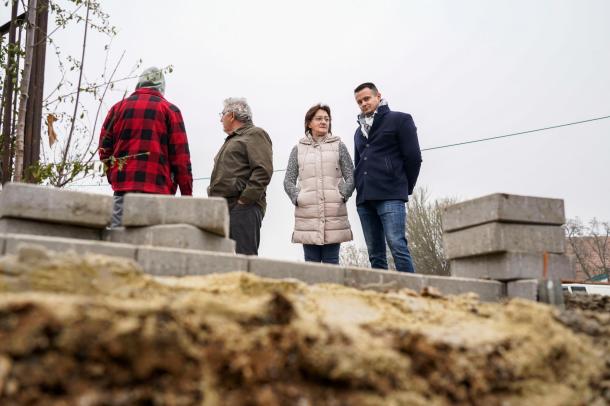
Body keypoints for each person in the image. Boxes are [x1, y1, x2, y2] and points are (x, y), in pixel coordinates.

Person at [98, 67, 193, 228]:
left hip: (123, 189)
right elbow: (181, 158)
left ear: (139, 84)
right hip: (158, 191)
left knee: (118, 242)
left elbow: (104, 149)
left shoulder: (117, 109)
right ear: (161, 87)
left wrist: (114, 175)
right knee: (153, 244)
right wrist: (186, 196)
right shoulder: (170, 111)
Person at [352, 82, 422, 273]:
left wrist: (405, 187)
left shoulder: (400, 120)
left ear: (378, 96)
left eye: (367, 99)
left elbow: (414, 157)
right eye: (359, 102)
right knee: (375, 254)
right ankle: (381, 295)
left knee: (397, 246)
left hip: (391, 194)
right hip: (365, 199)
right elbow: (358, 163)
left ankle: (412, 293)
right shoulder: (358, 132)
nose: (364, 104)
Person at [284, 103, 355, 264]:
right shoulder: (298, 149)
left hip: (334, 214)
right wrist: (298, 197)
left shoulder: (339, 146)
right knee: (311, 263)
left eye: (327, 119)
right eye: (319, 119)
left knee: (331, 262)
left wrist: (342, 194)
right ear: (309, 123)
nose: (324, 122)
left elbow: (351, 175)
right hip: (307, 214)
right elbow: (288, 180)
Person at [208, 98, 273, 255]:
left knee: (244, 262)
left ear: (231, 115)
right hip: (224, 209)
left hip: (243, 210)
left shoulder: (255, 134)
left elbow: (263, 171)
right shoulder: (233, 139)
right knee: (224, 264)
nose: (220, 119)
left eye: (222, 114)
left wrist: (244, 201)